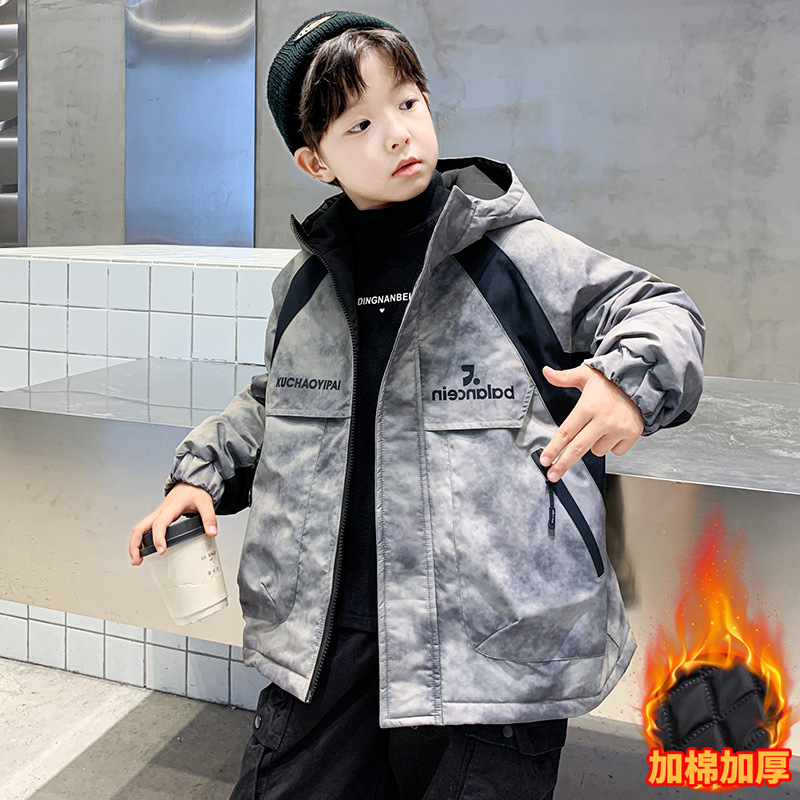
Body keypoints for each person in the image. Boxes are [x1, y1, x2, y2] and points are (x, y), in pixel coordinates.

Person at [129, 9, 706, 799]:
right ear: (315, 161)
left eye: (407, 103)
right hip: (329, 648)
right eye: (361, 124)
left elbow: (662, 309)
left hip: (489, 659)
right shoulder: (304, 286)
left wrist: (624, 382)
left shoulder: (518, 253)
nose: (398, 133)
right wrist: (198, 474)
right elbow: (276, 403)